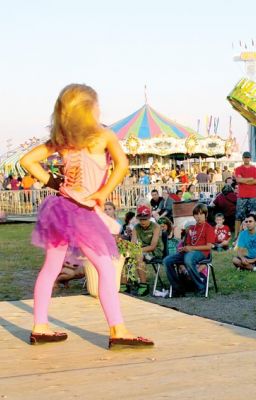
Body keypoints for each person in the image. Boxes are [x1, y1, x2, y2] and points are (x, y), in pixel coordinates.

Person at [19, 83, 152, 347]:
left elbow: (27, 161)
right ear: (89, 110)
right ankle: (118, 330)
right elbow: (122, 165)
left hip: (60, 209)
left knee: (51, 267)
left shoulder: (62, 139)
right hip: (82, 212)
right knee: (104, 266)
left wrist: (53, 182)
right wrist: (103, 192)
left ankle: (40, 326)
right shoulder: (103, 135)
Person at [163, 204, 215, 297]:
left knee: (188, 258)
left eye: (201, 214)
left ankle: (201, 287)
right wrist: (184, 248)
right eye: (196, 214)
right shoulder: (191, 228)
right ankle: (177, 288)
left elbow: (209, 246)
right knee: (167, 260)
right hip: (189, 252)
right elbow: (187, 244)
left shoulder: (209, 228)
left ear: (205, 215)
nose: (198, 217)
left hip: (202, 253)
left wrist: (191, 248)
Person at [131, 204, 164, 296]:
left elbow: (153, 246)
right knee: (127, 256)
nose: (143, 221)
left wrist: (138, 251)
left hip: (155, 251)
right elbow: (133, 243)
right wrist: (131, 250)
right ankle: (124, 284)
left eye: (145, 219)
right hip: (143, 250)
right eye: (141, 219)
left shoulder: (156, 227)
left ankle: (143, 284)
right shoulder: (136, 228)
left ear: (149, 217)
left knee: (138, 255)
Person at [234, 151, 256, 240]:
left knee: (253, 216)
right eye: (245, 157)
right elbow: (238, 180)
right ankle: (236, 236)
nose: (246, 159)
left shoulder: (255, 169)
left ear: (250, 158)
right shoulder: (238, 169)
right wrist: (250, 179)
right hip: (241, 196)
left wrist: (244, 180)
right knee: (238, 216)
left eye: (248, 157)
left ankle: (253, 234)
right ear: (243, 158)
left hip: (252, 195)